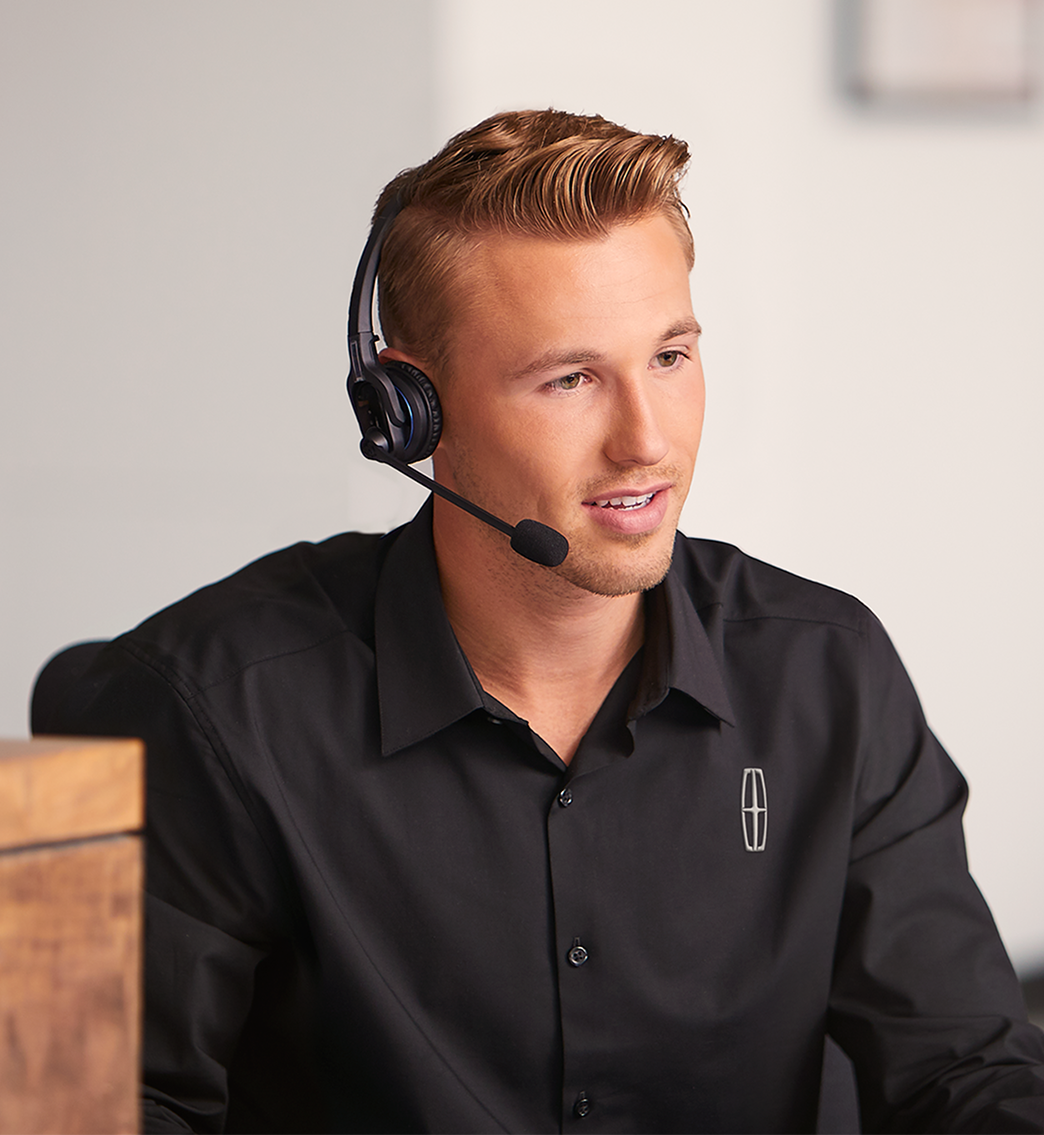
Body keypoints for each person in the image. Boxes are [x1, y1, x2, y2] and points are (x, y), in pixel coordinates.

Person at [41, 110, 1044, 1133]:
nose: (646, 442)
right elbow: (84, 1108)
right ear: (410, 410)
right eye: (570, 379)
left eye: (669, 357)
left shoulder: (831, 674)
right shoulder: (198, 705)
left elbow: (963, 1069)